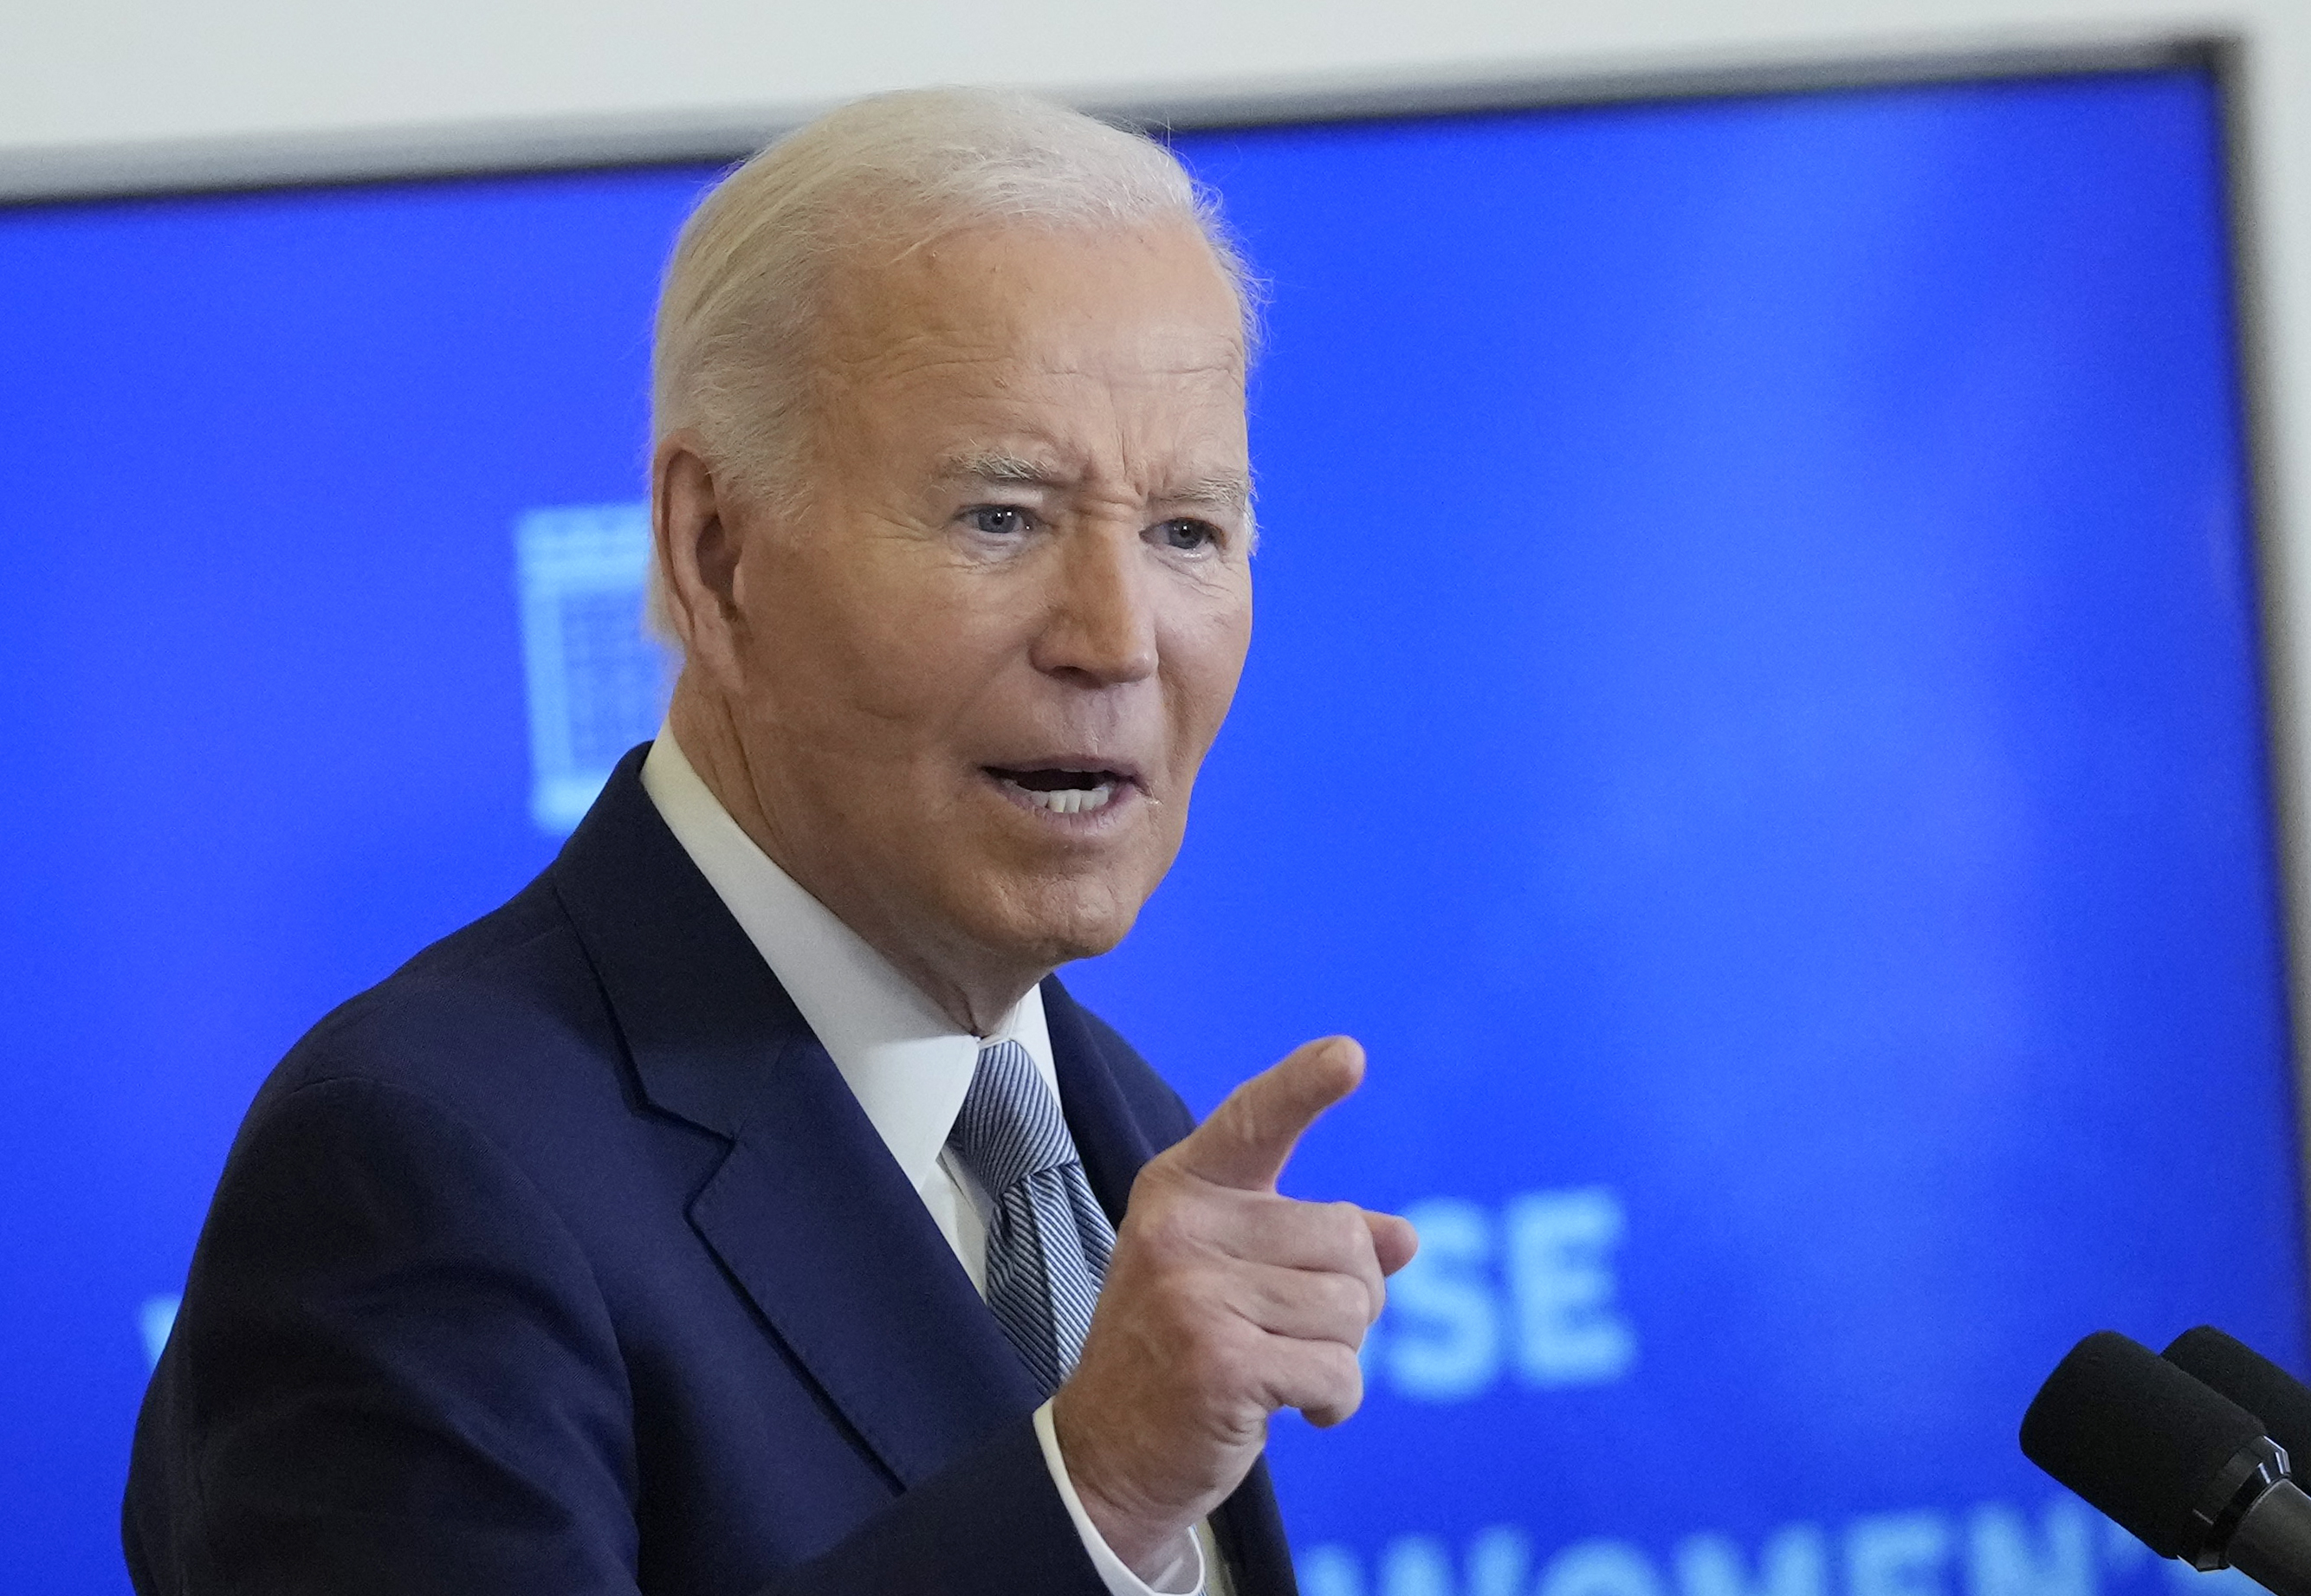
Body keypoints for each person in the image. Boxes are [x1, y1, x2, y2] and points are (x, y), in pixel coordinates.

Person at [123, 87, 1418, 1596]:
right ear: (715, 554)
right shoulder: (412, 1168)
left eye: (1187, 531)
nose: (1116, 638)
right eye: (1002, 516)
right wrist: (1094, 1492)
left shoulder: (1113, 1124)